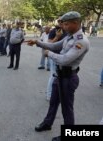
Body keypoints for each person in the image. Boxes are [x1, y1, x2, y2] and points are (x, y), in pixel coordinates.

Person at [26, 11, 90, 141]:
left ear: (76, 23)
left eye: (66, 24)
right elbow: (55, 45)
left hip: (68, 78)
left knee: (67, 109)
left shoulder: (81, 41)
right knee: (53, 102)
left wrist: (48, 54)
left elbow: (65, 59)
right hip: (59, 76)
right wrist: (38, 43)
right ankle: (47, 123)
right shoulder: (69, 36)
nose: (63, 27)